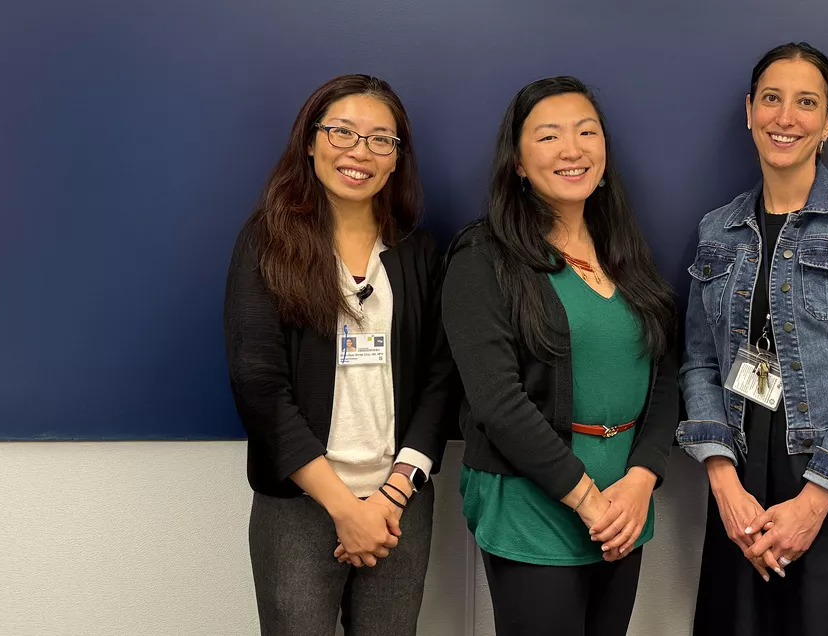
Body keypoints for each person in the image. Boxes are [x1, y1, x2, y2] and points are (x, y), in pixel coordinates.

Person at [677, 42, 828, 635]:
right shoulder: (718, 229)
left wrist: (813, 503)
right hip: (743, 482)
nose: (785, 118)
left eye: (806, 102)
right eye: (771, 99)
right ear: (749, 110)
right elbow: (697, 365)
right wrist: (724, 484)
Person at [441, 76, 679, 636]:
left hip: (625, 504)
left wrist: (643, 476)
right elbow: (498, 403)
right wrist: (588, 502)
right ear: (519, 163)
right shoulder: (482, 258)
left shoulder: (624, 248)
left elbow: (665, 372)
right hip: (535, 505)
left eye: (586, 132)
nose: (573, 150)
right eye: (549, 137)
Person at [223, 74, 458, 636]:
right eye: (342, 133)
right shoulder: (267, 241)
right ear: (310, 141)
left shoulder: (419, 252)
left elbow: (441, 379)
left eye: (382, 139)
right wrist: (344, 509)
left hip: (398, 504)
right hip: (300, 503)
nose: (361, 152)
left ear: (398, 159)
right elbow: (259, 385)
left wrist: (393, 494)